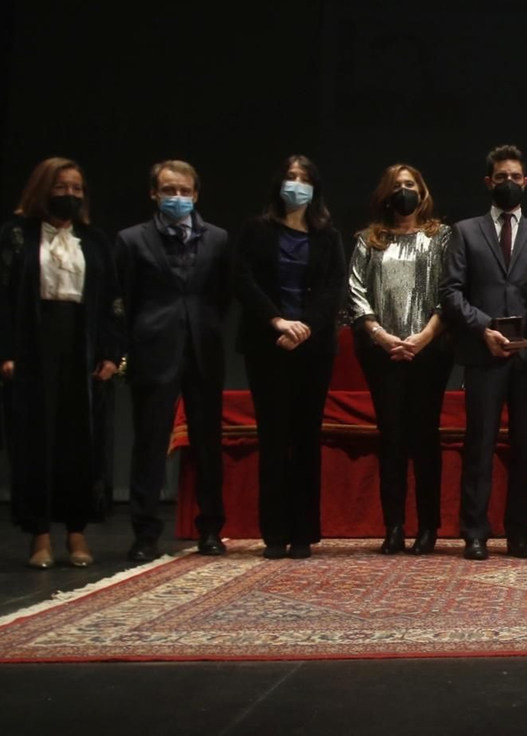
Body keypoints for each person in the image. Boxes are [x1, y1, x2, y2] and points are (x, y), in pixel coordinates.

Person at [0, 157, 122, 569]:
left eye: (77, 189)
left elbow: (113, 302)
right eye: (61, 187)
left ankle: (77, 533)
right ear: (44, 189)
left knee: (80, 443)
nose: (70, 195)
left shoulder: (94, 240)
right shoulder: (15, 236)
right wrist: (2, 353)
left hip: (80, 349)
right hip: (32, 350)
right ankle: (40, 535)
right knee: (35, 442)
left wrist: (113, 354)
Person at [440, 145, 527, 561]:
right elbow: (450, 293)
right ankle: (474, 532)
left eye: (515, 177)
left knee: (526, 448)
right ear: (489, 183)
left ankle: (519, 533)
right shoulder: (466, 231)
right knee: (479, 445)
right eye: (500, 177)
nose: (509, 183)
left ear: (526, 182)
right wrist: (483, 327)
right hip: (483, 352)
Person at [115, 159, 230, 562]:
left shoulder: (218, 239)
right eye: (169, 190)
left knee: (207, 443)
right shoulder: (131, 240)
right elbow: (125, 299)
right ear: (154, 193)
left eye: (184, 191)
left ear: (196, 194)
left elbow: (223, 295)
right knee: (149, 444)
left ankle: (211, 528)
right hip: (154, 349)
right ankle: (145, 534)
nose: (177, 197)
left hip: (203, 349)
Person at [233, 155, 346, 560]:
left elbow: (334, 288)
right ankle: (275, 534)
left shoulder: (328, 236)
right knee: (274, 437)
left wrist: (305, 328)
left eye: (304, 179)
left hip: (312, 348)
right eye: (290, 178)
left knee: (306, 437)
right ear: (279, 185)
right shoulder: (255, 230)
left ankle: (303, 532)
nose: (296, 185)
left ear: (314, 189)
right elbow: (243, 280)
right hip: (268, 345)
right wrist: (278, 322)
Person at [348, 164, 454, 556]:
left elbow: (450, 289)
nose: (404, 191)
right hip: (383, 353)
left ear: (422, 191)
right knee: (391, 438)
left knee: (425, 438)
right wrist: (379, 334)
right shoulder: (368, 240)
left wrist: (425, 336)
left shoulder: (440, 237)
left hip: (430, 351)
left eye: (410, 184)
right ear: (385, 194)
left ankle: (428, 528)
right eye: (397, 186)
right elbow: (356, 290)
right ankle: (393, 526)